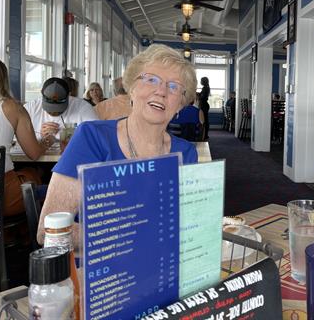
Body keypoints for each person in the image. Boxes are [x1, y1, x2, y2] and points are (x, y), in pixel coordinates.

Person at [37, 44, 199, 247]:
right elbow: (48, 232)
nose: (161, 91)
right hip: (98, 271)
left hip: (159, 269)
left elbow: (185, 225)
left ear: (181, 105)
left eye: (174, 86)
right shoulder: (92, 138)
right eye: (151, 79)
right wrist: (134, 238)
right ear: (131, 89)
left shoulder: (185, 153)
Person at [0, 59, 53, 216]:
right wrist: (46, 142)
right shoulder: (12, 107)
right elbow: (34, 153)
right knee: (37, 174)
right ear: (3, 80)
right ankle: (29, 235)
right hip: (2, 195)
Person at [25, 78, 98, 144]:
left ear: (69, 95)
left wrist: (65, 135)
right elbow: (16, 135)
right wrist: (39, 136)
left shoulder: (83, 107)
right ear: (42, 95)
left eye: (59, 108)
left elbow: (97, 135)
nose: (54, 112)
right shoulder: (31, 108)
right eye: (49, 108)